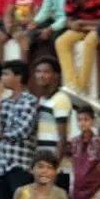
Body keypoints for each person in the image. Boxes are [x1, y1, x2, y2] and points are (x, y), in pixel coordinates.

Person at [0, 59, 39, 199]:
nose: (1, 78)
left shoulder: (30, 101)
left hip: (20, 163)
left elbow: (23, 130)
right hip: (0, 164)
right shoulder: (3, 102)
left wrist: (1, 135)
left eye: (6, 74)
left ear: (18, 77)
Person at [34, 58, 71, 190]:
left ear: (56, 75)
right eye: (38, 71)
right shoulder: (42, 100)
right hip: (44, 167)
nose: (41, 75)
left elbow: (62, 138)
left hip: (58, 170)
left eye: (46, 72)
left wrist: (52, 169)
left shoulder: (61, 99)